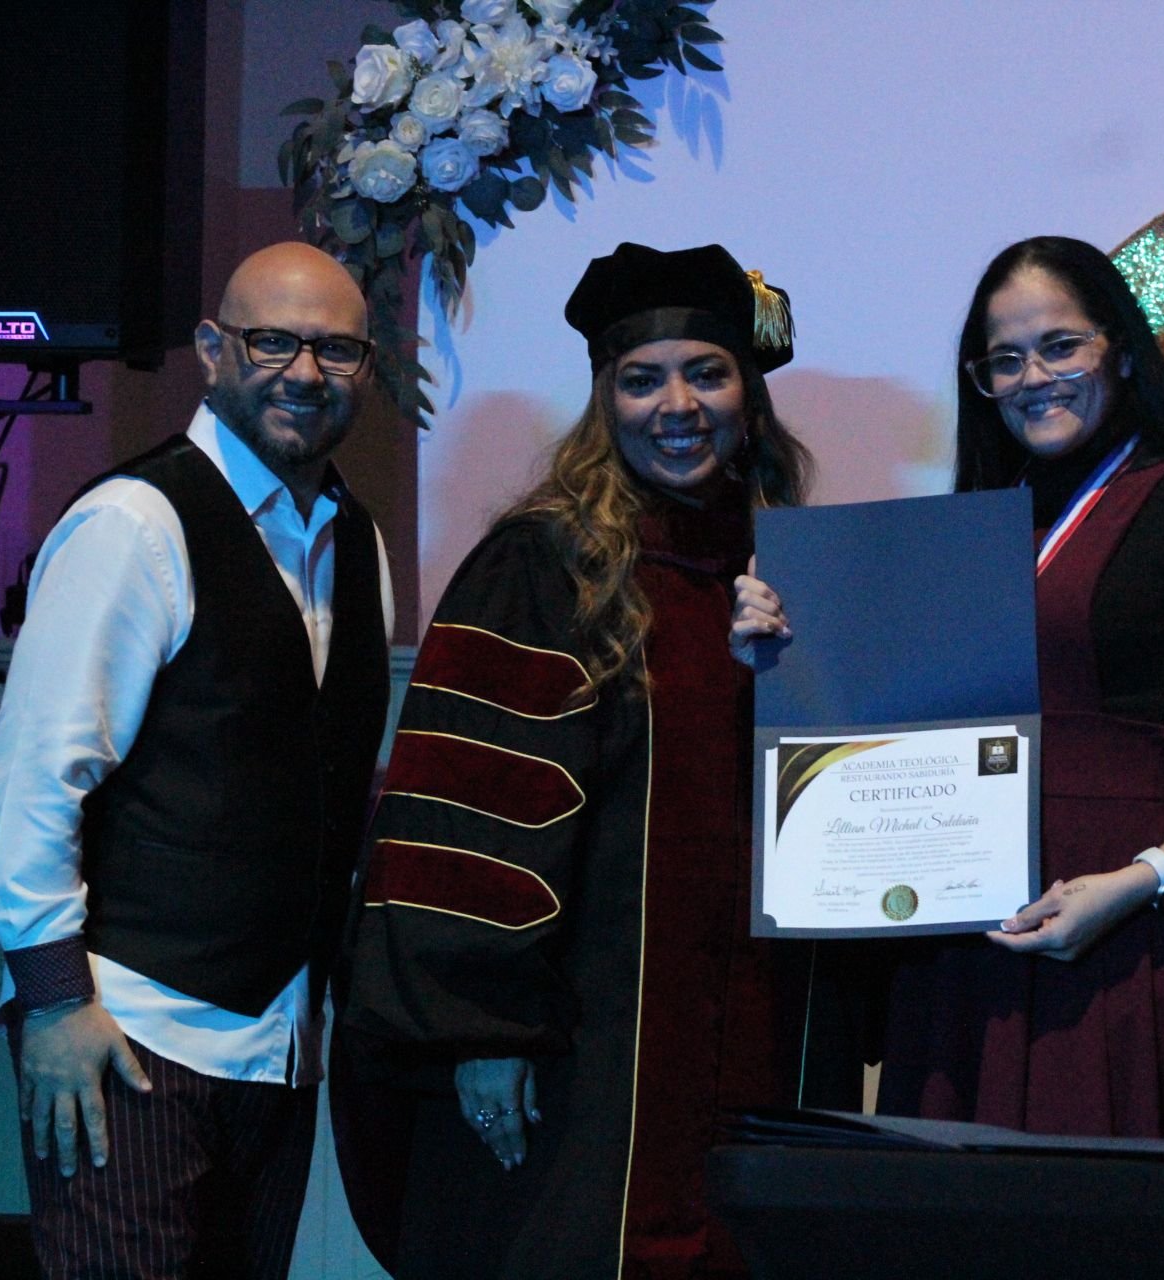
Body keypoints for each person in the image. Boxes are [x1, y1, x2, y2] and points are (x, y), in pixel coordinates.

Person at [339, 243, 826, 1279]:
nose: (677, 404)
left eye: (708, 370)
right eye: (642, 379)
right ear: (605, 398)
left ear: (750, 391)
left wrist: (793, 671)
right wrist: (484, 1029)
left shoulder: (785, 566)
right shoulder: (545, 560)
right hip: (579, 1045)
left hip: (744, 1030)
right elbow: (466, 810)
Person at [0, 240, 392, 1277]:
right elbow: (34, 776)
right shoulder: (135, 520)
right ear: (213, 350)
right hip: (124, 1032)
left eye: (336, 350)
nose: (304, 372)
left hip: (280, 1045)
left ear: (366, 369)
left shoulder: (358, 539)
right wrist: (53, 998)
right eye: (272, 341)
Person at [871, 235, 1164, 1137]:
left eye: (1060, 345)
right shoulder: (970, 527)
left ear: (1120, 350)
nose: (1032, 376)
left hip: (1116, 936)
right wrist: (780, 638)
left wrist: (1142, 880)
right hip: (958, 947)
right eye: (1005, 360)